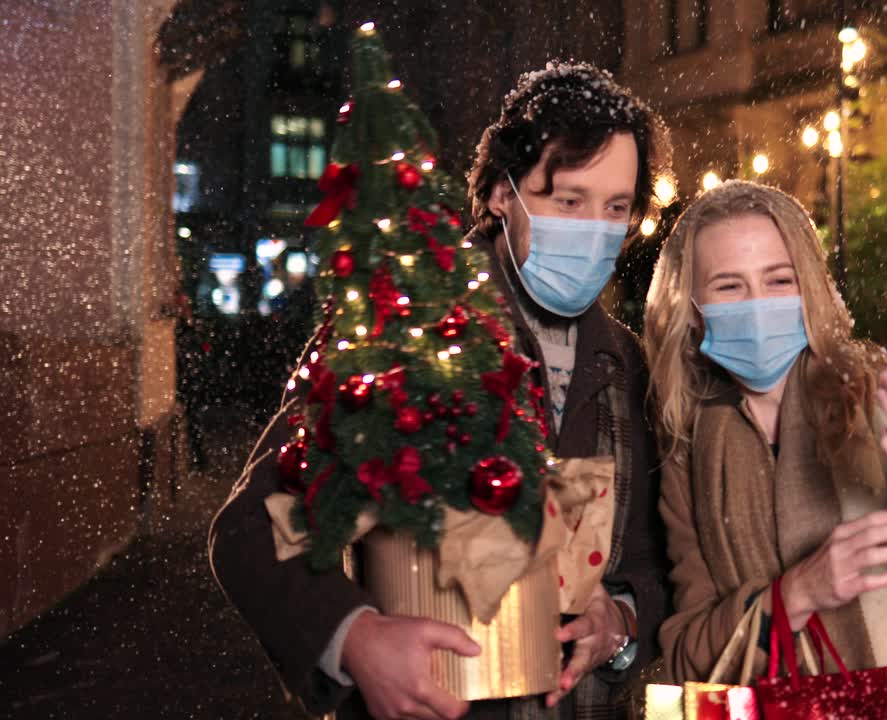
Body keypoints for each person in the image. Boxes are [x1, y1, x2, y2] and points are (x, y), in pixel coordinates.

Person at [209, 62, 671, 720]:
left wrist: (621, 621)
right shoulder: (397, 331)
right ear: (499, 194)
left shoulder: (625, 362)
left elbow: (654, 562)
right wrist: (356, 639)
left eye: (616, 207)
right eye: (568, 201)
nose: (593, 227)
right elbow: (254, 531)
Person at [643, 181, 887, 719]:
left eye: (780, 279)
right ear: (691, 308)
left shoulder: (881, 395)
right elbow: (691, 654)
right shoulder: (688, 445)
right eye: (729, 286)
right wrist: (795, 594)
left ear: (811, 287)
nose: (757, 305)